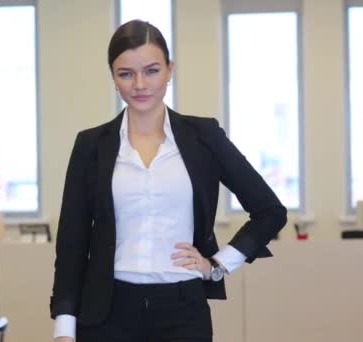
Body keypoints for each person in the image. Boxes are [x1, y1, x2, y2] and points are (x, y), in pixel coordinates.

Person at [50, 19, 287, 342]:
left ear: (169, 70)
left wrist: (217, 264)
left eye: (151, 70)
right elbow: (72, 242)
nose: (139, 84)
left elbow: (270, 211)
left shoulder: (203, 137)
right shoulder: (91, 145)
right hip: (106, 313)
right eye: (126, 74)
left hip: (182, 312)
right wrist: (63, 328)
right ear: (113, 78)